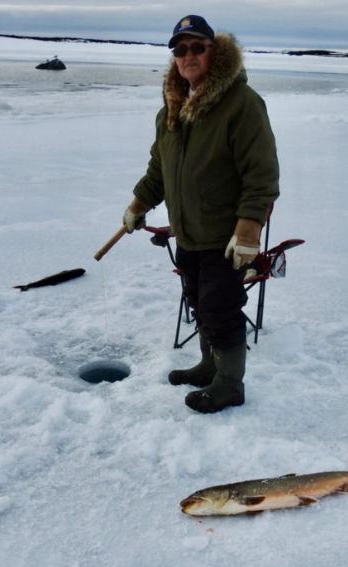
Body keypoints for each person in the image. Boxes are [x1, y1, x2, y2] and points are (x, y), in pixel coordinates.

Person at [122, 15, 280, 414]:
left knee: (219, 309)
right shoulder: (171, 112)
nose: (187, 55)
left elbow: (261, 174)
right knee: (198, 302)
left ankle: (229, 385)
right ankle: (211, 366)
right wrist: (139, 204)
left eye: (197, 47)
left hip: (224, 236)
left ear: (215, 52)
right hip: (188, 232)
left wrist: (247, 232)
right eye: (180, 49)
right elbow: (160, 169)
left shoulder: (242, 104)